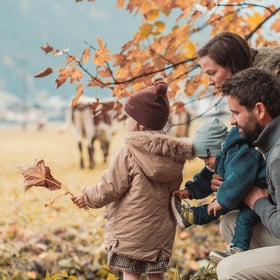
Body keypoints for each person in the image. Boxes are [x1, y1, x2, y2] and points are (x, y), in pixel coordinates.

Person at [71, 81, 194, 280]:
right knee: (157, 275)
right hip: (160, 234)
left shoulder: (128, 153)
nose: (125, 121)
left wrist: (86, 197)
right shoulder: (173, 155)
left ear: (139, 124)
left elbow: (110, 187)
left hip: (131, 233)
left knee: (131, 275)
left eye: (128, 117)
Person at [214, 67, 280, 279]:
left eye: (236, 113)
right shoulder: (270, 144)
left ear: (259, 111)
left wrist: (257, 203)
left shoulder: (278, 156)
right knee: (230, 223)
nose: (232, 121)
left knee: (229, 270)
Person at [171, 117, 266, 262]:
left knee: (244, 219)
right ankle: (190, 217)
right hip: (241, 194)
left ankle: (238, 249)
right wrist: (189, 191)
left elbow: (238, 179)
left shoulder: (242, 155)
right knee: (217, 207)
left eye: (207, 158)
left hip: (262, 197)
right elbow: (206, 178)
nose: (206, 163)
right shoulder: (221, 158)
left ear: (217, 148)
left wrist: (221, 200)